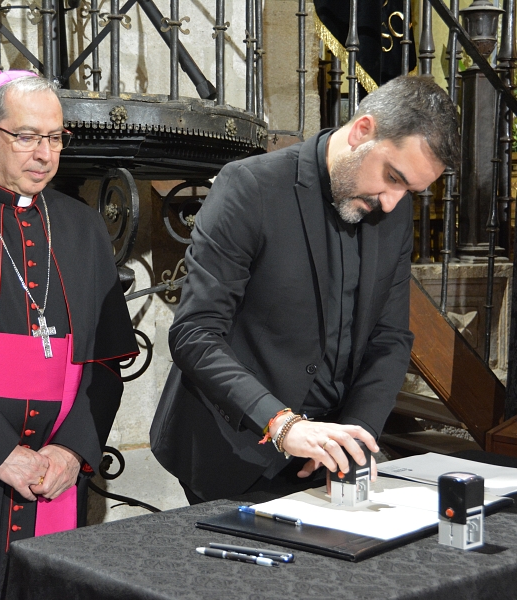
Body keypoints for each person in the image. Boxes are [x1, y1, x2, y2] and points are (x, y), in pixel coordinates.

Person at [150, 75, 460, 503]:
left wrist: (359, 435)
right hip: (234, 450)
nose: (392, 201)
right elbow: (195, 333)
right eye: (392, 176)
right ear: (362, 130)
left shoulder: (392, 211)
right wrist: (281, 424)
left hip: (326, 456)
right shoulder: (250, 187)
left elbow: (390, 338)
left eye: (409, 190)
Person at [0, 71, 138, 599]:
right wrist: (2, 454)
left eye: (55, 137)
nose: (43, 153)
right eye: (26, 136)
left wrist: (72, 451)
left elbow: (104, 364)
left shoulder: (83, 227)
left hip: (54, 475)